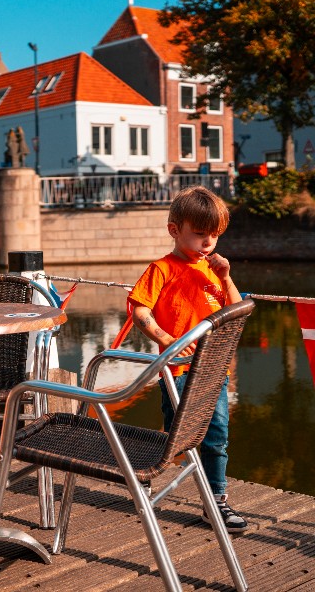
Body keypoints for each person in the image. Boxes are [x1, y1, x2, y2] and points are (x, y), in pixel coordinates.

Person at [127, 185, 248, 534]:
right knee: (174, 433)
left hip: (213, 370)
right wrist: (167, 340)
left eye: (214, 235)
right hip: (177, 371)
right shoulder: (163, 268)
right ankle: (145, 474)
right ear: (175, 230)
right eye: (199, 234)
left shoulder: (213, 268)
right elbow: (140, 310)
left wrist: (225, 277)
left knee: (216, 435)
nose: (208, 242)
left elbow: (236, 310)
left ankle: (216, 500)